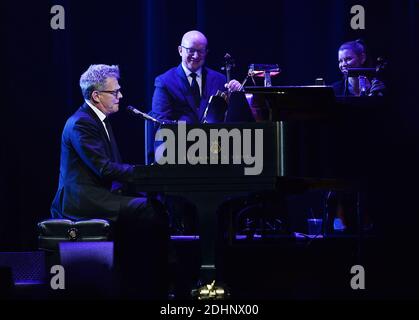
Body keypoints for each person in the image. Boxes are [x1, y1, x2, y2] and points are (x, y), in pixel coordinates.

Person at [50, 64, 169, 299]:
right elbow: (104, 168)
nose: (121, 96)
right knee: (147, 210)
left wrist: (143, 177)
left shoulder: (100, 120)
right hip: (81, 200)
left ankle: (140, 281)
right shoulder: (81, 123)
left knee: (150, 206)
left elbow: (111, 166)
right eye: (115, 92)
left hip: (96, 194)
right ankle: (158, 283)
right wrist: (144, 174)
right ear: (96, 96)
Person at [150, 30, 242, 124]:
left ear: (206, 52)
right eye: (191, 50)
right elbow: (160, 123)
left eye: (201, 51)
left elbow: (232, 118)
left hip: (214, 138)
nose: (196, 55)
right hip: (179, 137)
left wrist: (238, 95)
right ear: (180, 50)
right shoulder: (165, 81)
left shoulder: (220, 79)